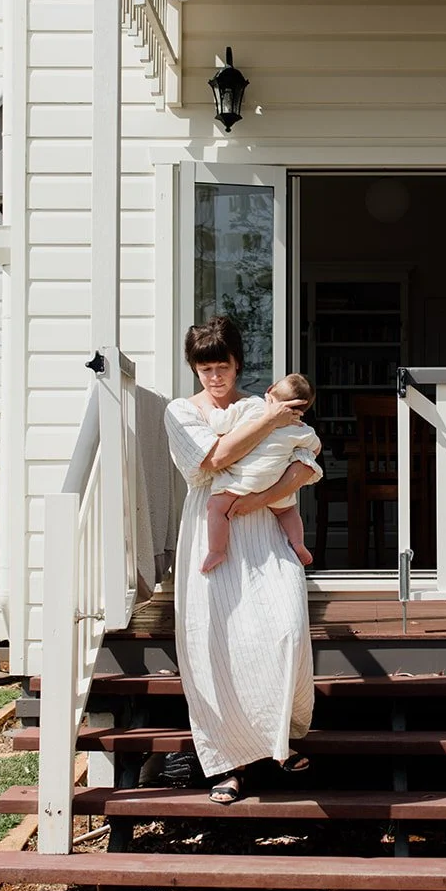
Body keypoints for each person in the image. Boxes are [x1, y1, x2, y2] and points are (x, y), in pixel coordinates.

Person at [163, 317, 321, 805]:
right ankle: (229, 767)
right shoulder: (180, 412)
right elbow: (210, 462)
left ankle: (278, 740)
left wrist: (261, 497)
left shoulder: (257, 406)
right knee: (215, 646)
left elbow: (305, 463)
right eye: (205, 368)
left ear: (238, 365)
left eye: (223, 368)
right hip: (213, 531)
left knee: (287, 626)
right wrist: (269, 426)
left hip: (262, 526)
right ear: (194, 368)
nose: (214, 378)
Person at [201, 372, 320, 573]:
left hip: (242, 480)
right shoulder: (301, 429)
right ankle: (298, 543)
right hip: (273, 482)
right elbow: (315, 449)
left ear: (269, 391)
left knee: (216, 508)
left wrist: (207, 407)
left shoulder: (252, 406)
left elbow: (218, 423)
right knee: (287, 511)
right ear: (301, 410)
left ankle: (217, 550)